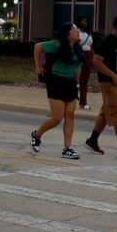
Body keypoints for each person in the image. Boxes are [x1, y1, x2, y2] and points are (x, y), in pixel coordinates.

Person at [30, 23, 83, 159]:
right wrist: (39, 66)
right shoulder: (58, 44)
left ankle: (67, 149)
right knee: (57, 118)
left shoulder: (77, 48)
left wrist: (77, 83)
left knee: (70, 114)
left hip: (70, 83)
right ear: (67, 33)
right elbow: (38, 47)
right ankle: (36, 135)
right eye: (74, 30)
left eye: (77, 30)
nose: (77, 32)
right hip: (56, 82)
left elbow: (79, 67)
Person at [85, 14, 117, 160]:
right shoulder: (107, 41)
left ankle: (92, 140)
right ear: (114, 28)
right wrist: (113, 75)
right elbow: (96, 62)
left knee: (106, 112)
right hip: (109, 82)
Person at [76, 16, 95, 109]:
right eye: (83, 21)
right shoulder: (76, 32)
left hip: (88, 56)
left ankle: (83, 102)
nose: (85, 23)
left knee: (84, 81)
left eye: (86, 21)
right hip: (79, 55)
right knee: (77, 79)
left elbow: (91, 45)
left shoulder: (88, 33)